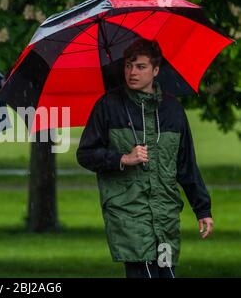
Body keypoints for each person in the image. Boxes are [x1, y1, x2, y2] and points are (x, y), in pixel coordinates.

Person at [76, 39, 213, 278]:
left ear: (156, 70)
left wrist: (202, 209)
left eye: (140, 67)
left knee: (167, 272)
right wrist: (122, 158)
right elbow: (85, 154)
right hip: (129, 214)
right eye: (128, 66)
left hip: (166, 215)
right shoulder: (108, 105)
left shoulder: (173, 110)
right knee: (146, 273)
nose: (132, 72)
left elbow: (186, 164)